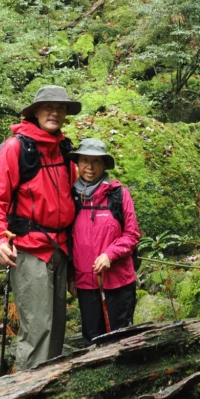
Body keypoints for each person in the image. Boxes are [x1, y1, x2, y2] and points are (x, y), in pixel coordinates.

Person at [0, 85, 80, 369]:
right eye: (49, 107)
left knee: (57, 328)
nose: (55, 113)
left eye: (60, 108)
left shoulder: (64, 150)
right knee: (37, 332)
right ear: (35, 112)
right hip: (30, 250)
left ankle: (51, 391)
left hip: (60, 250)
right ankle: (28, 393)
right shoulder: (17, 148)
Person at [69, 138, 140, 345]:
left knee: (120, 339)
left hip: (118, 281)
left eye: (96, 162)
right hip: (86, 283)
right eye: (84, 161)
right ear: (78, 163)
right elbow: (68, 239)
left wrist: (110, 254)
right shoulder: (71, 197)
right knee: (92, 340)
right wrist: (71, 276)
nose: (89, 167)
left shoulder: (118, 194)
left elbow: (132, 234)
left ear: (104, 165)